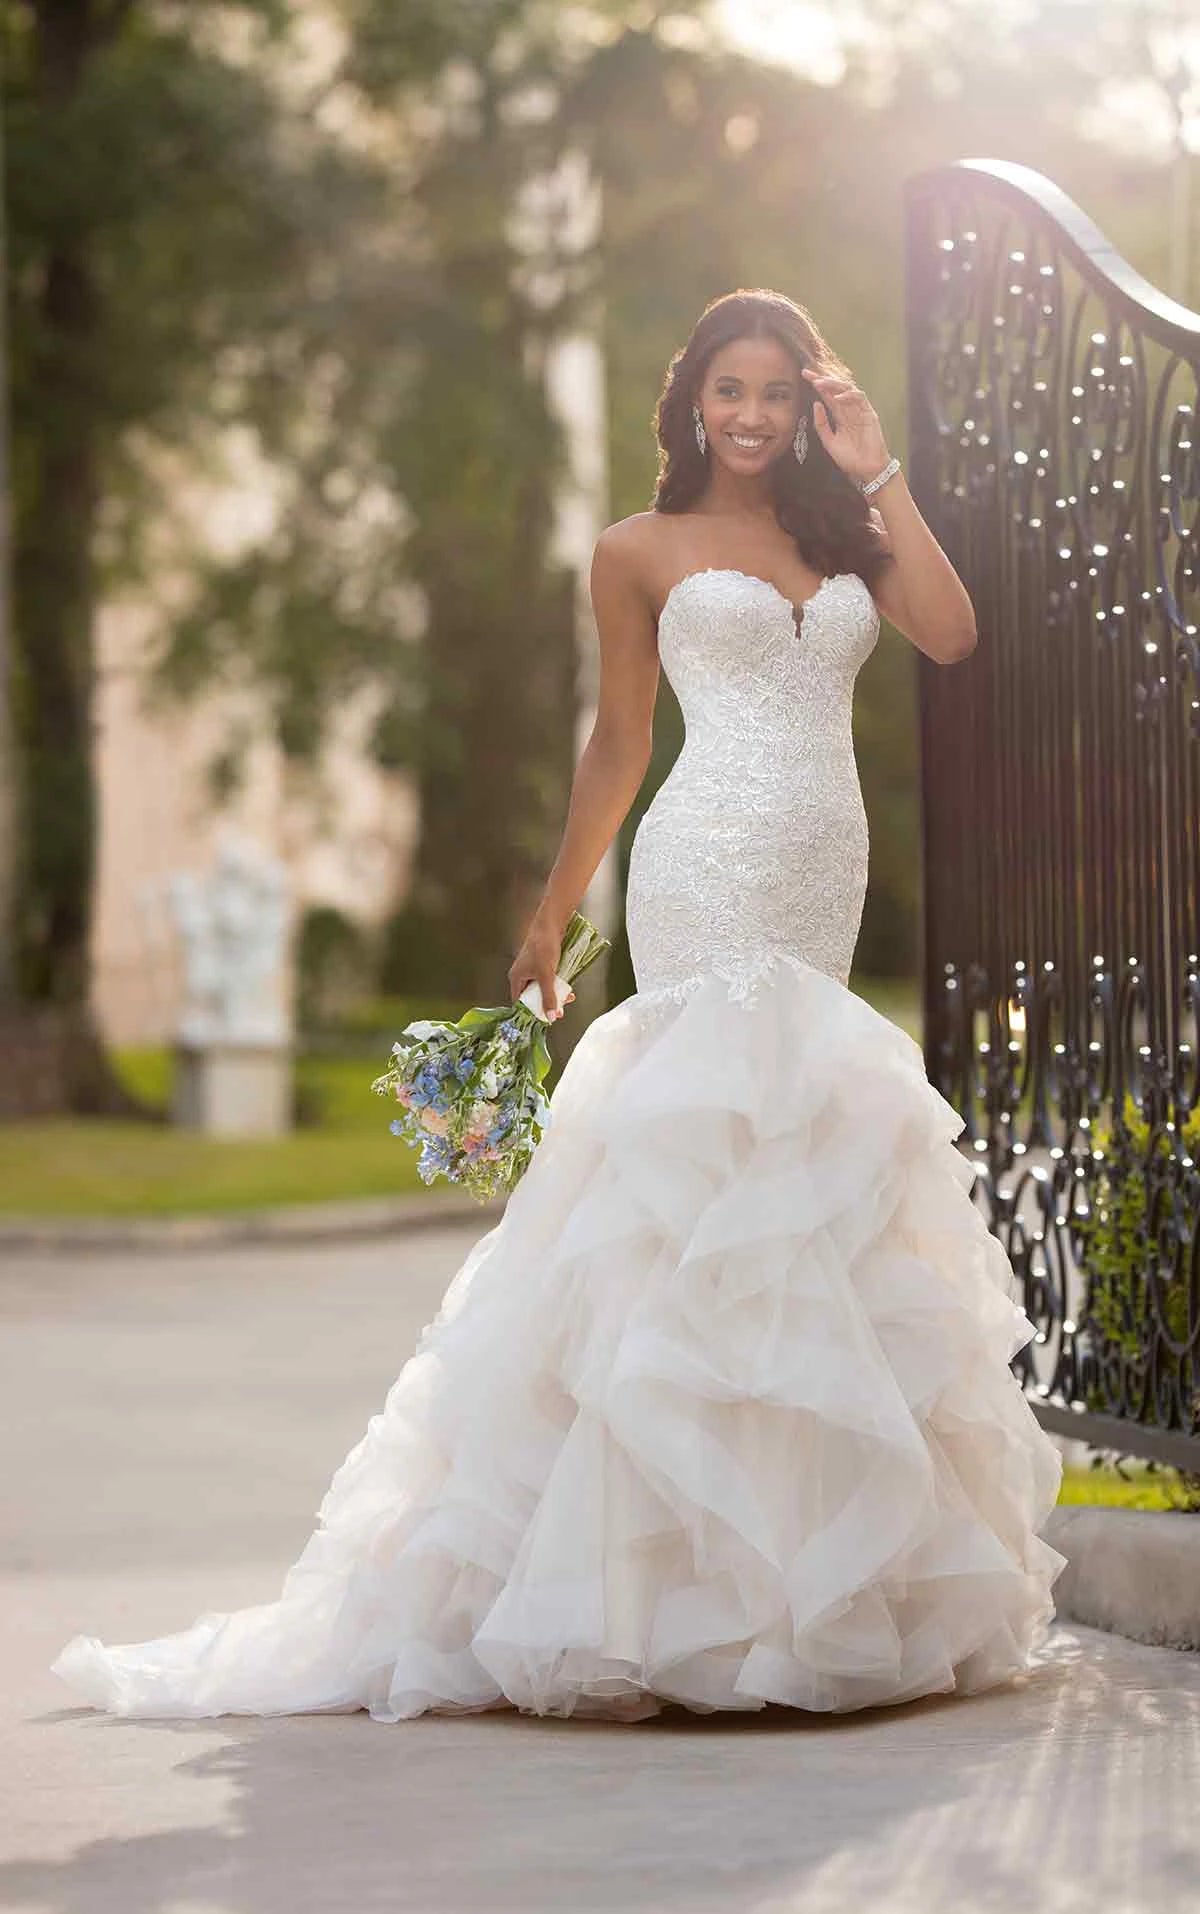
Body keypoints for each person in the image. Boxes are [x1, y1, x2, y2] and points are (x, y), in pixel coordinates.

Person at [50, 288, 1067, 1724]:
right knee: (702, 1161)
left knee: (809, 1166)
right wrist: (553, 905)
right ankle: (665, 1599)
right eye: (734, 391)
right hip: (700, 865)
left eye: (782, 392)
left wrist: (876, 457)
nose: (759, 416)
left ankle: (800, 1585)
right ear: (692, 402)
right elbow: (621, 739)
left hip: (820, 872)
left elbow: (954, 635)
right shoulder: (634, 551)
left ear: (808, 400)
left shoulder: (848, 532)